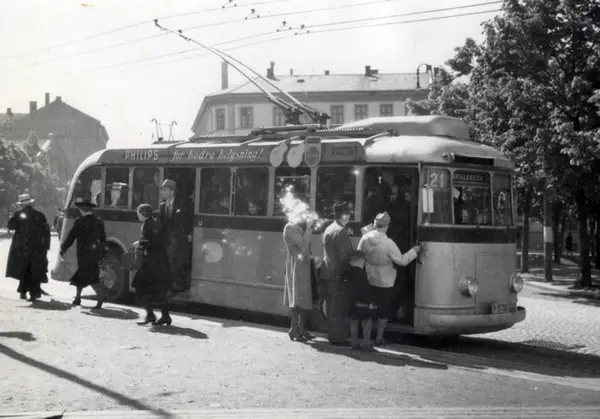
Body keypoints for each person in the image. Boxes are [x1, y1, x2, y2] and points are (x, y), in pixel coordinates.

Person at [357, 212, 423, 346]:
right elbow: (402, 261)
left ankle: (366, 337)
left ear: (375, 225)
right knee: (383, 310)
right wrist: (414, 251)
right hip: (385, 281)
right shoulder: (388, 243)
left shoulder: (364, 238)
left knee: (369, 309)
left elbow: (359, 254)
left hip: (370, 277)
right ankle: (379, 338)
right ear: (387, 226)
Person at [60, 197, 108, 308]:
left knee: (89, 277)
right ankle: (78, 298)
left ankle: (101, 297)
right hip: (94, 254)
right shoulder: (98, 222)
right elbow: (103, 240)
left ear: (82, 210)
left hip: (82, 253)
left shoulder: (79, 222)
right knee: (84, 275)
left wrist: (63, 248)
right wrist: (102, 254)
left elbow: (71, 237)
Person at [5, 193, 51, 302]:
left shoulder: (18, 214)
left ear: (21, 204)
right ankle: (34, 293)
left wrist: (12, 216)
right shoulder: (40, 215)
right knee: (35, 270)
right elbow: (46, 232)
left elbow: (11, 226)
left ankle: (23, 292)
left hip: (22, 247)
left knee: (24, 268)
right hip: (37, 247)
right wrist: (46, 247)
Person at [132, 204, 172, 326]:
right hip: (158, 261)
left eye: (138, 213)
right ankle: (164, 316)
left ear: (143, 214)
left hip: (153, 262)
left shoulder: (148, 225)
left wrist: (140, 243)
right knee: (158, 289)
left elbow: (154, 242)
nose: (137, 215)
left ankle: (152, 315)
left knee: (140, 286)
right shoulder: (154, 223)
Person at [320, 201, 354, 345]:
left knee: (331, 306)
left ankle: (332, 334)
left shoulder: (330, 228)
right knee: (338, 307)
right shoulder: (341, 232)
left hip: (328, 272)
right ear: (344, 215)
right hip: (339, 274)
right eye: (349, 214)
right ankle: (338, 337)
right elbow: (345, 256)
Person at [283, 213, 315, 342]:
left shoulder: (300, 227)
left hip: (304, 265)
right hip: (296, 266)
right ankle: (294, 329)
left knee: (305, 297)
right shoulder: (290, 227)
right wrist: (308, 229)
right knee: (297, 298)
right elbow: (302, 245)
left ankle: (301, 329)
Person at [159, 179, 193, 293]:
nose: (162, 192)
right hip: (169, 240)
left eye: (164, 190)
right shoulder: (162, 206)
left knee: (178, 263)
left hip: (181, 239)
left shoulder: (183, 205)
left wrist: (190, 233)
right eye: (162, 190)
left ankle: (178, 285)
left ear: (172, 192)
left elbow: (190, 220)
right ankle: (172, 286)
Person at [344, 251, 378, 351]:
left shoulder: (346, 272)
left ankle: (354, 343)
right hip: (362, 302)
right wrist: (370, 302)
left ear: (351, 262)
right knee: (367, 323)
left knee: (353, 322)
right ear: (362, 262)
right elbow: (365, 290)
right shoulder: (362, 274)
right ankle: (366, 344)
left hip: (351, 302)